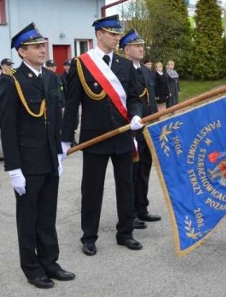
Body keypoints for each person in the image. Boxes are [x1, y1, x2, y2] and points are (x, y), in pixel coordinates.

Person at [0, 22, 75, 289]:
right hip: (27, 163)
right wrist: (13, 169)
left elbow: (54, 118)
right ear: (21, 52)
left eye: (43, 45)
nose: (43, 50)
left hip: (49, 160)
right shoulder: (10, 82)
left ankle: (51, 262)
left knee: (47, 215)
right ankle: (32, 268)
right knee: (28, 218)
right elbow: (7, 128)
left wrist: (59, 153)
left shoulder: (51, 78)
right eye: (36, 46)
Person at [61, 14, 144, 256]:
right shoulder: (81, 64)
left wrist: (136, 116)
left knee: (126, 186)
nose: (117, 37)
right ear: (99, 35)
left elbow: (135, 98)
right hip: (94, 138)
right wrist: (66, 138)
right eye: (113, 33)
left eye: (118, 33)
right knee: (92, 189)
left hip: (122, 136)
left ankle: (125, 232)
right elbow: (72, 103)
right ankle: (89, 236)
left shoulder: (125, 64)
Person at [119, 29, 161, 227]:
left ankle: (142, 208)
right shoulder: (122, 71)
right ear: (126, 49)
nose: (141, 48)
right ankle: (131, 212)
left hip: (148, 129)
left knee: (144, 170)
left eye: (142, 45)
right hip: (133, 130)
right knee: (132, 173)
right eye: (137, 46)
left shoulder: (145, 71)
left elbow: (151, 100)